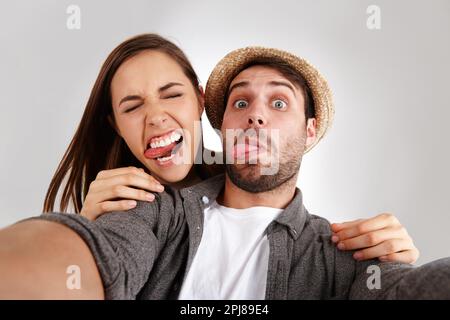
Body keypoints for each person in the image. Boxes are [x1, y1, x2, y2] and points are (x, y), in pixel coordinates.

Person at [0, 39, 433, 299]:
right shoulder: (155, 211)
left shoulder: (341, 256)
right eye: (240, 103)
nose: (256, 116)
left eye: (278, 103)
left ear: (310, 131)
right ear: (220, 124)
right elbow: (102, 253)